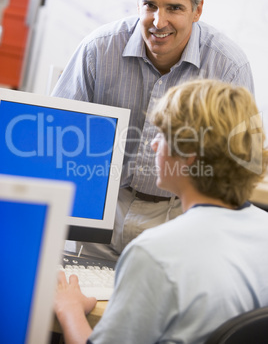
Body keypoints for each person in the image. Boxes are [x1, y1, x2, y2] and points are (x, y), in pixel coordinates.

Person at [52, 0, 255, 260]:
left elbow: (242, 165)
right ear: (138, 4)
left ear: (197, 9)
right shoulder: (98, 49)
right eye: (150, 5)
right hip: (100, 208)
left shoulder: (228, 68)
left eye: (174, 8)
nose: (159, 21)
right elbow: (57, 136)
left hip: (178, 219)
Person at [54, 79, 268, 344]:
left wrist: (69, 308)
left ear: (188, 151)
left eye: (162, 135)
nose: (153, 145)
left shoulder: (154, 254)